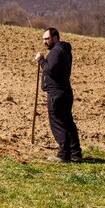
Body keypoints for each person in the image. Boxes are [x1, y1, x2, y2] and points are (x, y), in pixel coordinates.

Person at [35, 27, 82, 162]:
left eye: (47, 39)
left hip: (57, 93)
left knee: (58, 123)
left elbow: (50, 69)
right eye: (43, 39)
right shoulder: (64, 50)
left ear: (56, 37)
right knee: (67, 122)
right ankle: (76, 154)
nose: (45, 42)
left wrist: (42, 60)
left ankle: (63, 155)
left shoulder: (57, 51)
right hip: (65, 91)